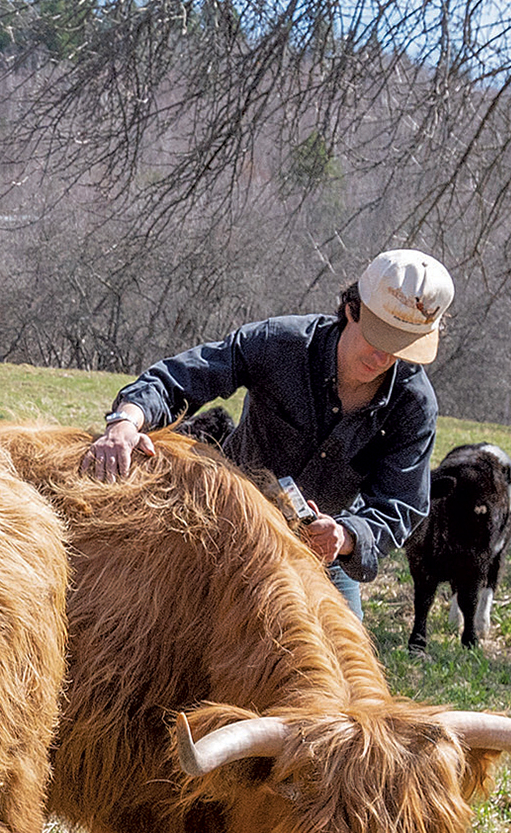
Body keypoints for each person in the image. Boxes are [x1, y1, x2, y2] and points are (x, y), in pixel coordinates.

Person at [84, 249, 452, 617]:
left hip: (321, 551)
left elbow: (401, 503)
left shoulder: (414, 404)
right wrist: (126, 421)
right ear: (352, 309)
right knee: (163, 621)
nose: (383, 358)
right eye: (377, 338)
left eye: (399, 347)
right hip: (226, 522)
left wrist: (346, 536)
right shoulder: (280, 343)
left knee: (339, 648)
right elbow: (181, 377)